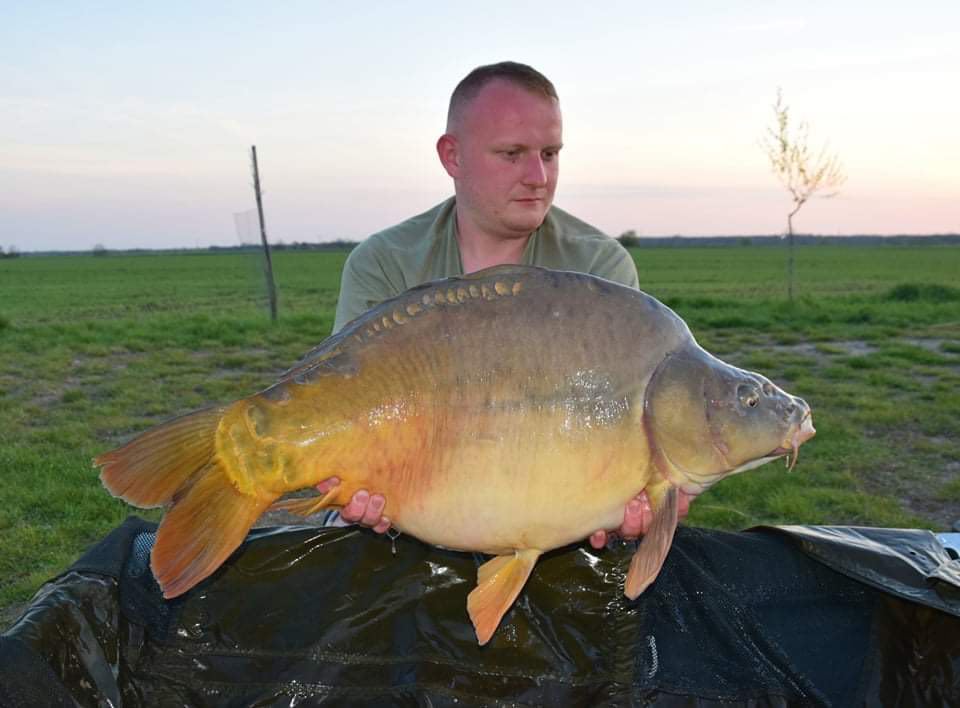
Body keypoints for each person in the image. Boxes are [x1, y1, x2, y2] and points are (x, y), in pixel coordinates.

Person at [316, 61, 692, 546]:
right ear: (452, 156)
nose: (538, 176)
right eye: (512, 154)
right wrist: (354, 485)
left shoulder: (599, 270)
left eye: (550, 154)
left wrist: (626, 503)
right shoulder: (385, 262)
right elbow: (340, 405)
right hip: (407, 503)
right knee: (345, 535)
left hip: (547, 514)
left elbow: (620, 433)